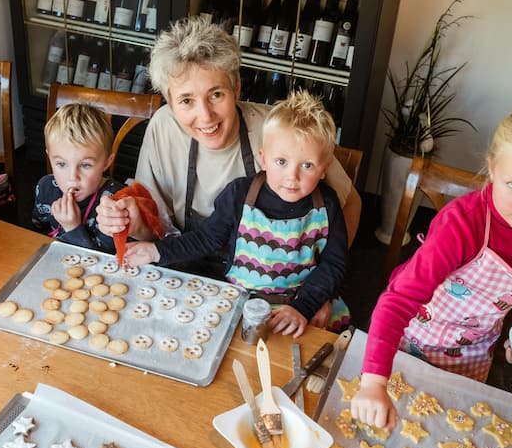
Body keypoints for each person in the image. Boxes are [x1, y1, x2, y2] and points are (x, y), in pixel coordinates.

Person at [351, 107, 512, 430]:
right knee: (391, 424)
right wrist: (373, 383)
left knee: (445, 429)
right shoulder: (462, 225)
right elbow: (398, 300)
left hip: (473, 351)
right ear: (492, 169)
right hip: (411, 339)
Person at [95, 16, 359, 253]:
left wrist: (319, 284)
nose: (206, 116)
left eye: (216, 95)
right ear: (170, 101)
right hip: (183, 260)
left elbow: (352, 203)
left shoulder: (278, 130)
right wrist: (128, 220)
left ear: (237, 88)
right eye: (186, 101)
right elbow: (153, 224)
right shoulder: (164, 127)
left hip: (264, 279)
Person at [124, 91, 347, 337]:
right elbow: (205, 240)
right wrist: (157, 251)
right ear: (263, 159)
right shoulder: (239, 195)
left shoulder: (327, 204)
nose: (292, 177)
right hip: (241, 306)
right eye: (281, 162)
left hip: (300, 309)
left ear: (324, 169)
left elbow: (334, 264)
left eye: (307, 166)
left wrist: (305, 306)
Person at [32, 103, 125, 252]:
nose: (72, 178)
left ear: (106, 162)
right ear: (50, 158)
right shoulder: (45, 188)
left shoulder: (115, 202)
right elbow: (37, 231)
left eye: (85, 165)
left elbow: (105, 261)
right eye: (61, 164)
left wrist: (73, 228)